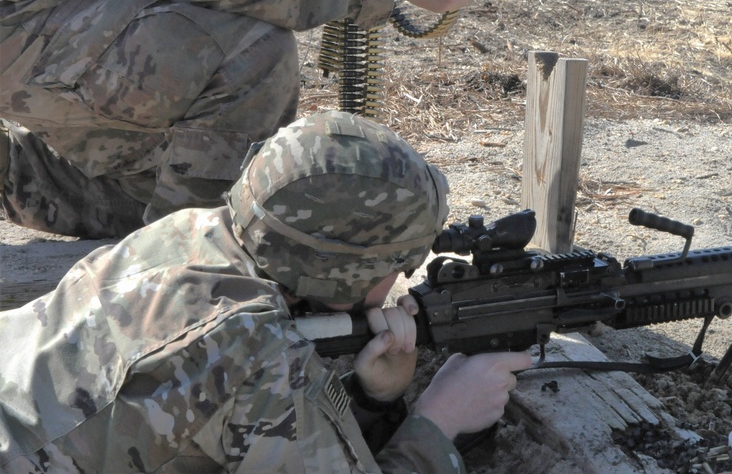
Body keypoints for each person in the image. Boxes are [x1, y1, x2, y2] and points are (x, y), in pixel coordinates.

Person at [0, 110, 532, 473]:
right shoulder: (258, 348)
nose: (402, 280)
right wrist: (439, 422)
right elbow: (260, 383)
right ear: (339, 275)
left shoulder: (191, 231)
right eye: (399, 264)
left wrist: (370, 399)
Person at [0, 0, 496, 239]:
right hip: (28, 24)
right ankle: (182, 280)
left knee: (183, 181)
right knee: (252, 56)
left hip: (46, 18)